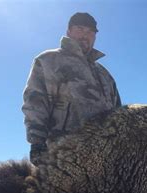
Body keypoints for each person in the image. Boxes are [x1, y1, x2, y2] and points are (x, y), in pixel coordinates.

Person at [22, 12, 121, 165]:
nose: (85, 35)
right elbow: (35, 102)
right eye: (80, 29)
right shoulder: (49, 60)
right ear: (68, 32)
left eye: (90, 32)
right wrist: (37, 142)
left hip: (103, 159)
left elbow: (118, 114)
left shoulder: (104, 75)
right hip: (62, 155)